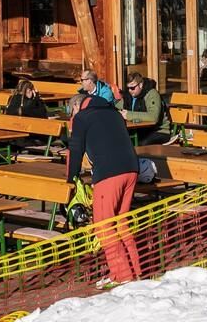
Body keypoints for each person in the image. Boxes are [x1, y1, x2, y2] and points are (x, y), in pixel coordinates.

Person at [66, 74, 142, 284]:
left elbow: (75, 149)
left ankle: (123, 276)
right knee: (121, 222)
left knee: (104, 225)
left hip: (109, 174)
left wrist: (70, 177)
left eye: (70, 113)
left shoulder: (82, 118)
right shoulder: (114, 113)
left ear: (76, 107)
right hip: (131, 169)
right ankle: (134, 271)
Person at [119, 72, 171, 141]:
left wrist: (129, 115)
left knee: (139, 144)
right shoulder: (129, 95)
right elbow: (117, 107)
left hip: (158, 131)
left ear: (140, 85)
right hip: (139, 130)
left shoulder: (152, 94)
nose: (130, 90)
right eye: (128, 88)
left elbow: (153, 117)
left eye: (132, 88)